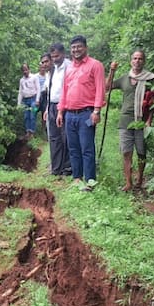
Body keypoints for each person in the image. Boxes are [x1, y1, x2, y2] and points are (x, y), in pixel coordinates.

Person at [56, 35, 106, 191]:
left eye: (78, 47)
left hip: (87, 114)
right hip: (69, 115)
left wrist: (97, 111)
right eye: (73, 48)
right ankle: (77, 178)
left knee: (87, 147)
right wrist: (60, 111)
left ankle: (90, 180)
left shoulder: (95, 65)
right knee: (73, 148)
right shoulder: (69, 68)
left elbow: (100, 89)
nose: (75, 50)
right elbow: (64, 91)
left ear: (85, 47)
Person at [107, 50, 154, 192]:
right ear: (131, 61)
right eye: (135, 58)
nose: (137, 61)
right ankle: (128, 182)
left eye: (140, 59)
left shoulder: (150, 79)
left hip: (141, 121)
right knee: (126, 152)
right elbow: (107, 87)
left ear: (144, 61)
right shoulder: (124, 78)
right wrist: (112, 71)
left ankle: (140, 179)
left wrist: (149, 120)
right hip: (125, 121)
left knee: (141, 152)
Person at [45, 43, 72, 176]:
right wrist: (47, 108)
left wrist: (62, 109)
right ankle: (56, 168)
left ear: (63, 53)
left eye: (57, 56)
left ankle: (67, 168)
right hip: (52, 106)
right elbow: (51, 88)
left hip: (65, 106)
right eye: (52, 56)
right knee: (54, 137)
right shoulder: (53, 68)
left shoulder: (69, 67)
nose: (54, 59)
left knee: (65, 137)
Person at [17, 63, 40, 138]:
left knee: (32, 116)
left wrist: (37, 100)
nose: (25, 71)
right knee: (26, 116)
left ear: (29, 69)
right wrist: (19, 103)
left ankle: (32, 132)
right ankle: (28, 132)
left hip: (33, 99)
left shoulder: (34, 77)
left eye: (26, 69)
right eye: (23, 70)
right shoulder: (21, 80)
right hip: (25, 100)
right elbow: (20, 92)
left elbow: (38, 89)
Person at [34, 53, 51, 135]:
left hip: (45, 95)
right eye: (41, 67)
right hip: (37, 96)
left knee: (44, 112)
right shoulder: (36, 76)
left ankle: (44, 130)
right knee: (34, 111)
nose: (43, 68)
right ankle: (33, 130)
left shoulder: (48, 75)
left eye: (44, 67)